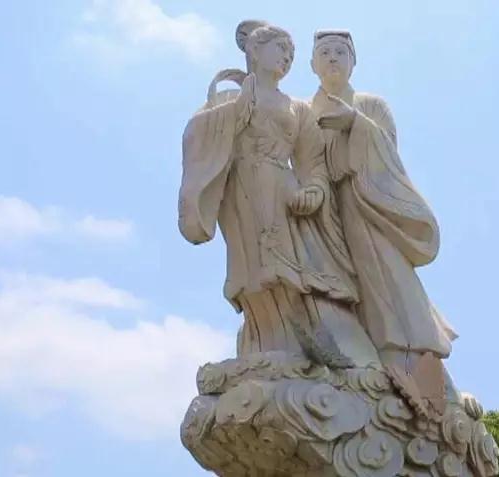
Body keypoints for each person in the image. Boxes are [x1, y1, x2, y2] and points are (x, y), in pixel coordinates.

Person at [178, 21, 379, 367]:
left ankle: (304, 341)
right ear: (255, 51)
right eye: (280, 49)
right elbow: (197, 132)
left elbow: (312, 160)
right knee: (251, 272)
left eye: (291, 54)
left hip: (281, 192)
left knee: (290, 269)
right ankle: (262, 340)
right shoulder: (230, 99)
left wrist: (314, 189)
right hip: (241, 190)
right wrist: (233, 111)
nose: (286, 58)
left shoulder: (297, 108)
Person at [310, 30, 458, 401]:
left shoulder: (372, 106)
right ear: (312, 64)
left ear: (353, 61)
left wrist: (355, 124)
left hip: (368, 203)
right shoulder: (306, 112)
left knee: (385, 274)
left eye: (340, 52)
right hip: (323, 208)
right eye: (324, 52)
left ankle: (404, 352)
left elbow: (389, 156)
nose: (332, 58)